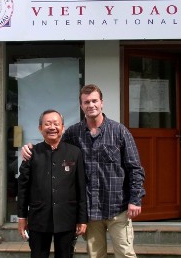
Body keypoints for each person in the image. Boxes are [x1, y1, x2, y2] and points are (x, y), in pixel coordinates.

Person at [21, 84, 145, 258]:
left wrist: (135, 199)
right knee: (95, 255)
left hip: (118, 206)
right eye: (86, 102)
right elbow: (53, 147)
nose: (91, 105)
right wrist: (29, 149)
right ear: (81, 106)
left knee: (125, 254)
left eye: (94, 101)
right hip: (92, 211)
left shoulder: (120, 132)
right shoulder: (73, 133)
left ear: (102, 103)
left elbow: (135, 169)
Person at [17, 109, 87, 258]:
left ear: (63, 127)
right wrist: (22, 217)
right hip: (39, 219)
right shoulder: (31, 153)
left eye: (56, 124)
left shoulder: (75, 153)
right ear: (40, 128)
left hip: (66, 218)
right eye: (47, 124)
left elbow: (81, 188)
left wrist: (82, 219)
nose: (52, 127)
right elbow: (23, 188)